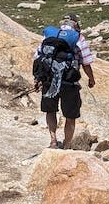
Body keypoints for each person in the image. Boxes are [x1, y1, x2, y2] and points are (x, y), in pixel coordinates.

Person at [35, 13, 96, 149]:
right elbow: (86, 63)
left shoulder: (50, 35)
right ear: (75, 24)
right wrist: (91, 79)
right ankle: (67, 145)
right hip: (69, 81)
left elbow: (38, 56)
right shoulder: (78, 38)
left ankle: (53, 141)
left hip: (49, 80)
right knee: (70, 115)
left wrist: (38, 78)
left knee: (50, 111)